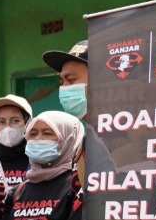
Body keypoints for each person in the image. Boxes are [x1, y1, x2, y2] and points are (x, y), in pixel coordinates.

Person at [43, 40, 114, 174]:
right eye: (61, 82)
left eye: (71, 80)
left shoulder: (133, 136)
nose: (64, 88)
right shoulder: (85, 143)